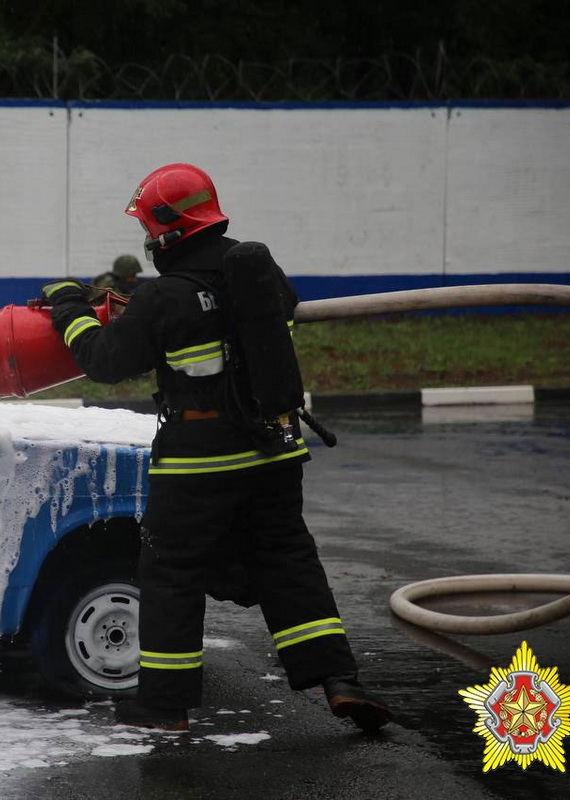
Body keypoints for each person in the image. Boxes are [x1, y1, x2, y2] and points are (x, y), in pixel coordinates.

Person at [41, 163, 392, 734]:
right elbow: (270, 307)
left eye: (152, 232)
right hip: (276, 452)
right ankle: (340, 682)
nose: (149, 243)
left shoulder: (164, 298)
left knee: (171, 573)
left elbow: (104, 361)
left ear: (169, 231)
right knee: (288, 562)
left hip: (198, 463)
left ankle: (165, 705)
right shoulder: (256, 270)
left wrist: (68, 311)